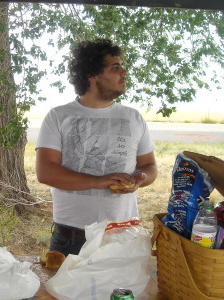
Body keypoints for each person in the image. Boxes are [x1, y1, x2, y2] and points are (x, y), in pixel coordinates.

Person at [35, 39, 158, 256]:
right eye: (115, 67)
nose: (124, 72)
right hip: (72, 238)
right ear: (92, 75)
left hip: (122, 234)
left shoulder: (133, 117)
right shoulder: (58, 116)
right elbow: (45, 172)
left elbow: (149, 166)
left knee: (124, 292)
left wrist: (140, 178)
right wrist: (99, 182)